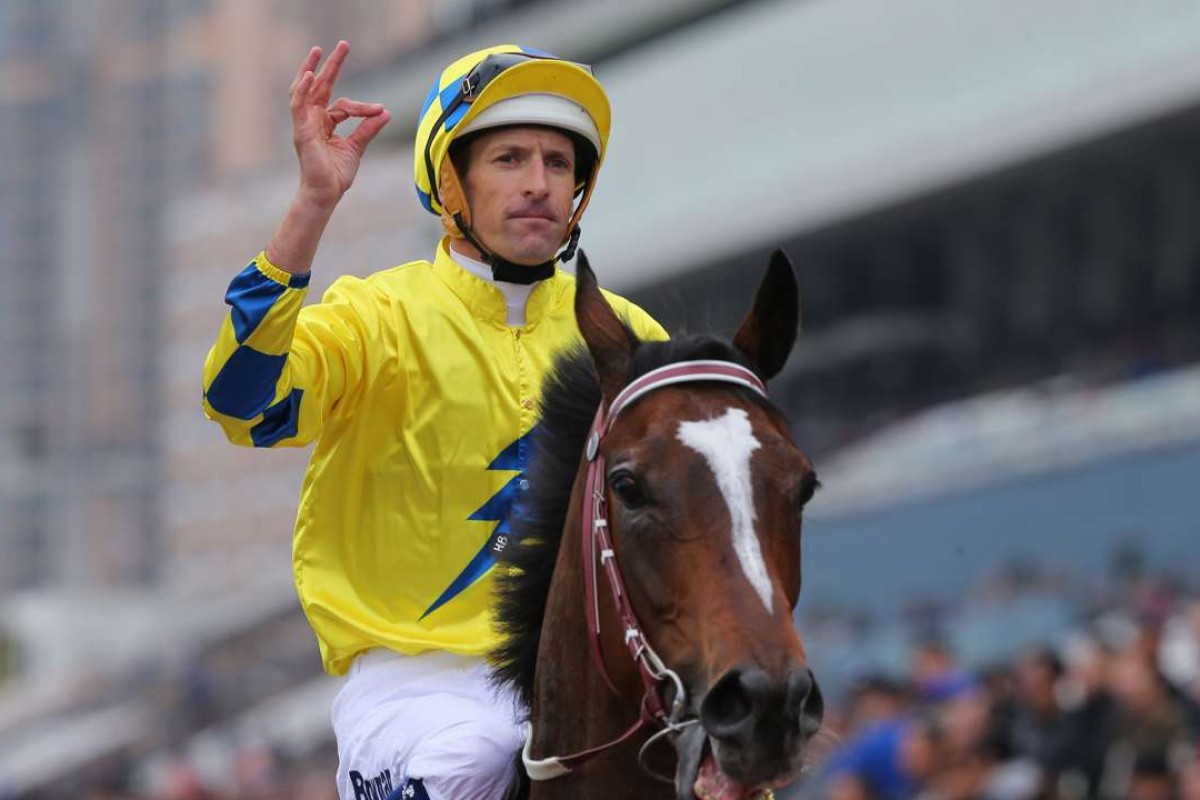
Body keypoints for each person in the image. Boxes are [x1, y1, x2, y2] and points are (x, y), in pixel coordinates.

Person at [201, 41, 666, 800]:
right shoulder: (377, 315)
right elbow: (241, 404)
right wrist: (313, 203)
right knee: (478, 757)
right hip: (418, 686)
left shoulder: (624, 335)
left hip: (592, 671)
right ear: (451, 180)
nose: (540, 184)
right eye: (510, 159)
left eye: (558, 163)